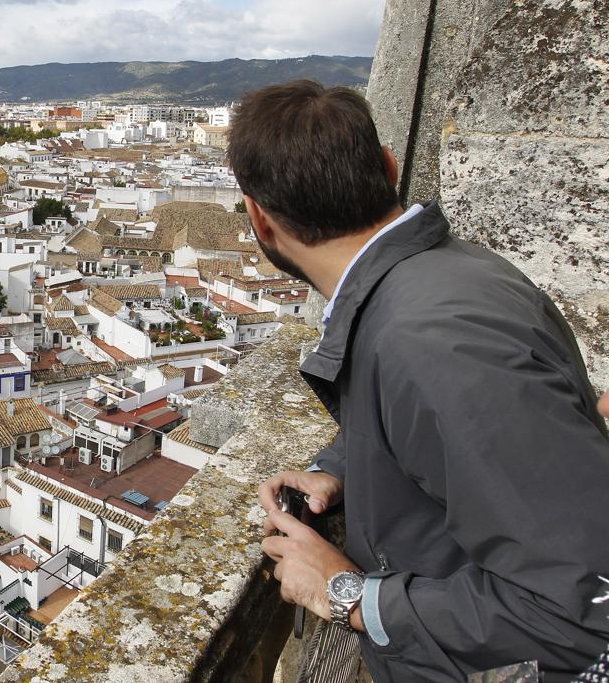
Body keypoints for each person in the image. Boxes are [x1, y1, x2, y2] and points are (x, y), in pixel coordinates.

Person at [232, 80, 609, 681]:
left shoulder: (431, 342)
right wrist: (347, 465)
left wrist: (348, 593)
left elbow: (582, 609)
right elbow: (462, 438)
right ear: (387, 167)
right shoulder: (440, 278)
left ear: (260, 220)